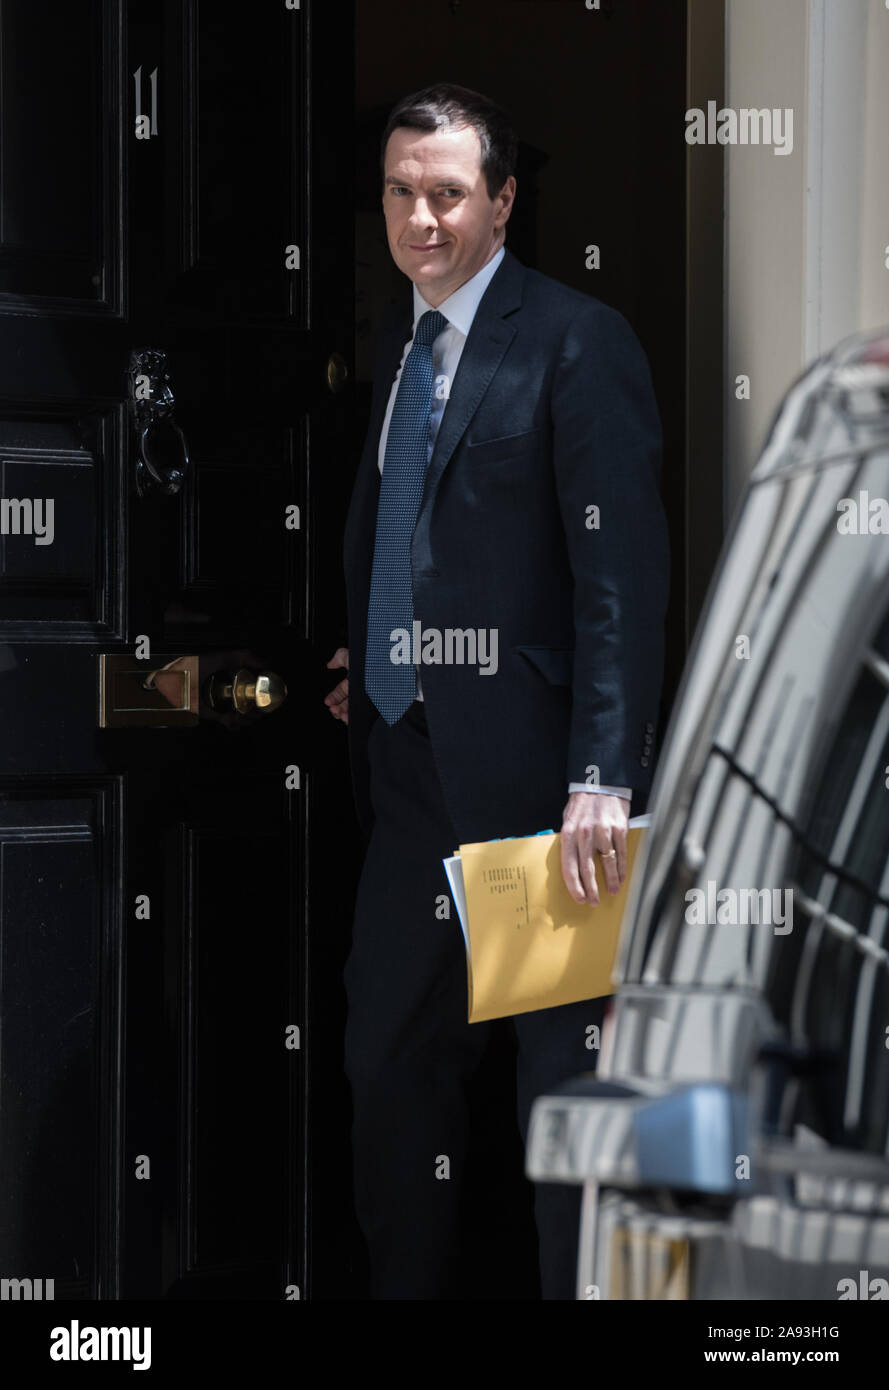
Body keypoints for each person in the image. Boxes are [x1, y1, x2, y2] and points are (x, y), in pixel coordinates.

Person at [325, 82, 669, 1299]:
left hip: (542, 797)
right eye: (400, 192)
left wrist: (601, 778)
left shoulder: (576, 341)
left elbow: (617, 580)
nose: (421, 219)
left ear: (504, 203)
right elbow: (416, 529)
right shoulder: (398, 337)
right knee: (386, 1070)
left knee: (562, 1105)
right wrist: (376, 653)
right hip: (413, 772)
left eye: (448, 194)